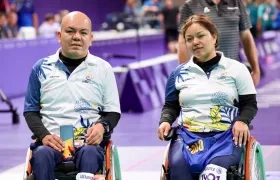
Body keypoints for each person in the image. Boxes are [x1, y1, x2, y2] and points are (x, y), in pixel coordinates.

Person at [157, 14, 258, 180]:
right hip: (187, 138)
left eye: (200, 36)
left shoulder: (237, 69)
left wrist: (242, 121)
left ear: (214, 36)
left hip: (226, 137)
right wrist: (165, 121)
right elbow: (171, 106)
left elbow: (249, 104)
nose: (195, 42)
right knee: (179, 172)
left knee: (212, 175)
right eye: (189, 39)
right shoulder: (177, 74)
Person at [23, 11, 121, 180]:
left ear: (91, 38)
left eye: (83, 33)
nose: (77, 37)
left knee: (90, 154)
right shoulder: (40, 68)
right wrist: (45, 136)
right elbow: (30, 111)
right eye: (70, 31)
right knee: (42, 155)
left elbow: (113, 112)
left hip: (88, 145)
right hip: (50, 144)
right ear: (59, 36)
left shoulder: (103, 69)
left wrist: (101, 127)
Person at [177, 0, 261, 86]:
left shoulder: (237, 3)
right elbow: (182, 42)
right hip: (203, 77)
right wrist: (185, 75)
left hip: (232, 74)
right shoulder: (190, 5)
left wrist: (256, 70)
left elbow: (246, 37)